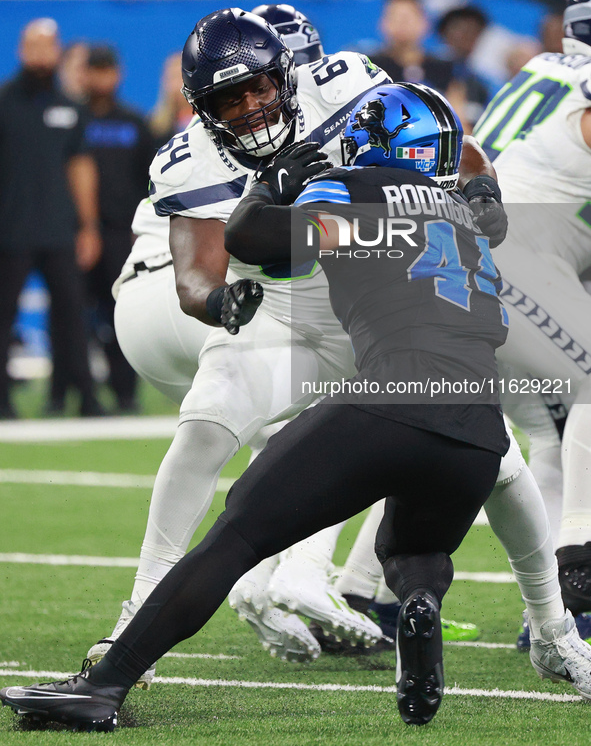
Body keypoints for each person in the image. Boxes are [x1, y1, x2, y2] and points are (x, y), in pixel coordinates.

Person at [4, 84, 591, 732]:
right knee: (412, 548)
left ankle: (103, 685)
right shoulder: (465, 217)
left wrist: (271, 183)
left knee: (234, 539)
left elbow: (248, 238)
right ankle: (420, 599)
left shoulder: (349, 191)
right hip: (478, 428)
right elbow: (482, 217)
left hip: (390, 400)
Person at [80, 8, 391, 686]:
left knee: (287, 433)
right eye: (230, 98)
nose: (251, 108)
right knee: (297, 425)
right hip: (184, 295)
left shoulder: (345, 92)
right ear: (201, 106)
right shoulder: (191, 157)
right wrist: (221, 302)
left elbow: (437, 140)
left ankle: (254, 580)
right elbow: (199, 276)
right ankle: (294, 574)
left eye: (261, 88)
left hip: (218, 305)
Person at [472, 0, 591, 639]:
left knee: (550, 434)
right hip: (510, 261)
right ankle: (577, 563)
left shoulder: (542, 71)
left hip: (472, 261)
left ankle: (549, 614)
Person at [0, 18, 102, 418]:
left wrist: (88, 226)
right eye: (34, 47)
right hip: (11, 230)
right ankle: (2, 400)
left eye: (48, 47)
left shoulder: (70, 107)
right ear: (22, 51)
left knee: (72, 317)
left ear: (57, 51)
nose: (41, 55)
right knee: (3, 316)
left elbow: (80, 168)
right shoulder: (4, 102)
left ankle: (86, 399)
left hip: (61, 230)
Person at [81, 44, 157, 413]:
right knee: (73, 316)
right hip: (78, 233)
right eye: (94, 71)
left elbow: (151, 180)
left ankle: (125, 393)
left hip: (121, 233)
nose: (101, 79)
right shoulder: (74, 119)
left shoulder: (133, 122)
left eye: (107, 71)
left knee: (120, 313)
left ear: (117, 74)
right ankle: (75, 394)